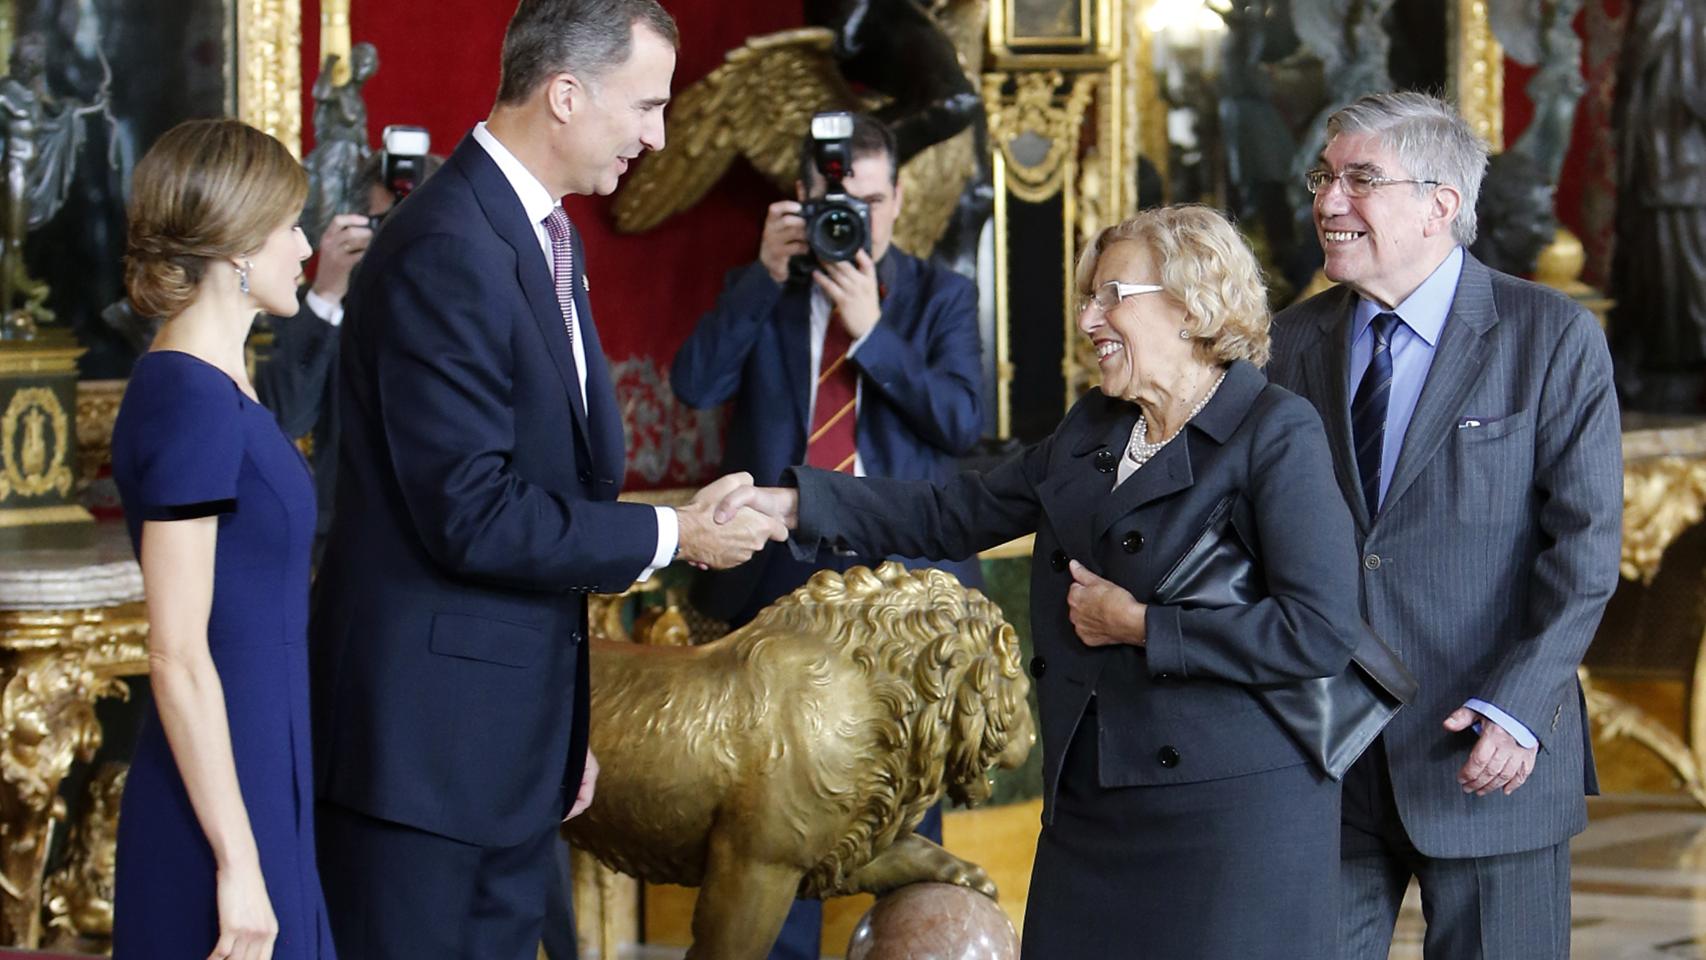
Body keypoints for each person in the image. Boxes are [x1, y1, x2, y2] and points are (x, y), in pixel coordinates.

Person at [720, 204, 1365, 959]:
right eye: (1086, 298)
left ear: (1192, 306)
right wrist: (793, 503)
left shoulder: (1275, 431)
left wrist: (1142, 626)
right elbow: (957, 510)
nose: (1088, 318)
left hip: (1226, 820)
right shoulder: (1096, 424)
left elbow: (1319, 630)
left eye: (1110, 297)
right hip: (1089, 803)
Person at [307, 2, 785, 957]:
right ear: (565, 95)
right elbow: (473, 514)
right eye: (647, 105)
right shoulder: (450, 247)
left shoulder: (529, 234)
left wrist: (555, 733)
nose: (658, 136)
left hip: (498, 753)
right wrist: (676, 536)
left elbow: (551, 481)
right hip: (424, 766)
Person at [1268, 91, 1622, 959]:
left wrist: (1520, 706)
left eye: (1360, 179)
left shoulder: (1550, 337)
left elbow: (1583, 551)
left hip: (1488, 753)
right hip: (1325, 759)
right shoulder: (1285, 344)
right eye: (1324, 176)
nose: (1328, 201)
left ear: (1441, 204)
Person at [670, 111, 981, 960]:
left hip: (904, 603)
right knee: (768, 816)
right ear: (800, 199)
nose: (854, 221)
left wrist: (875, 331)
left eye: (870, 204)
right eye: (833, 202)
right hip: (774, 588)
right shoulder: (762, 289)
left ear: (899, 197)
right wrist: (762, 280)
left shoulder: (939, 294)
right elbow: (693, 383)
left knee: (909, 816)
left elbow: (960, 420)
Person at [110, 117, 332, 959]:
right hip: (219, 800)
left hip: (261, 768)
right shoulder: (188, 397)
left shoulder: (219, 384)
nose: (306, 245)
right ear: (238, 246)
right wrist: (238, 863)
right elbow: (176, 652)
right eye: (289, 227)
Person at [256, 151, 444, 557]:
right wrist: (327, 292)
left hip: (446, 537)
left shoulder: (477, 307)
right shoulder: (319, 309)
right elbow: (286, 416)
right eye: (386, 223)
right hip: (347, 540)